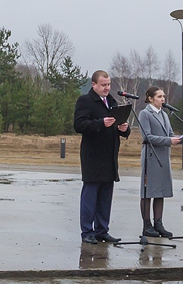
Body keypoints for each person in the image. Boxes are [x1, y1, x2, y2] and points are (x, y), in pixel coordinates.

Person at [73, 69, 130, 245]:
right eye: (103, 85)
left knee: (106, 196)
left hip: (109, 156)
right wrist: (100, 123)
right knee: (90, 196)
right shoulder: (85, 101)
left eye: (109, 84)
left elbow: (119, 125)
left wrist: (124, 129)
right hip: (93, 157)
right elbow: (79, 125)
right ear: (94, 85)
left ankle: (102, 230)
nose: (107, 88)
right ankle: (87, 231)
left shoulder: (112, 101)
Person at [139, 86, 183, 238]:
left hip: (164, 157)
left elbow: (171, 135)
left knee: (160, 191)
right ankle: (147, 225)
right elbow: (147, 137)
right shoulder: (145, 114)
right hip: (151, 157)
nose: (163, 99)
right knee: (148, 192)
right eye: (159, 96)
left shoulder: (165, 115)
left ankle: (158, 223)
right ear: (150, 98)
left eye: (163, 96)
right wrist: (168, 140)